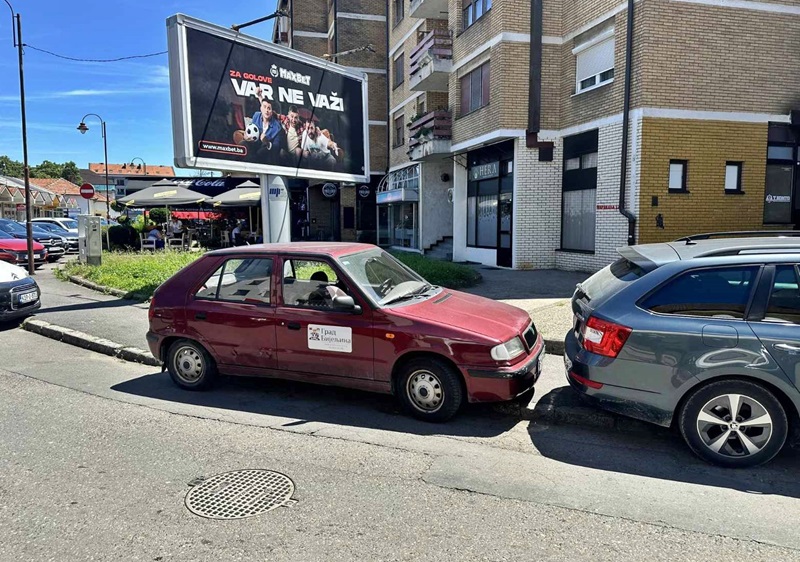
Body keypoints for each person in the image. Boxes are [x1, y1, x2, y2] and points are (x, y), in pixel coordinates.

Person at [250, 98, 282, 164]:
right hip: (253, 144)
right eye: (264, 107)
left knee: (262, 151)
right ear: (261, 108)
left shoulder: (277, 127)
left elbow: (276, 147)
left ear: (272, 111)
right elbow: (250, 129)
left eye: (269, 108)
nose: (266, 110)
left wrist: (267, 142)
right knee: (243, 144)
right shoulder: (256, 115)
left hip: (267, 153)